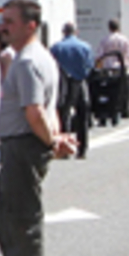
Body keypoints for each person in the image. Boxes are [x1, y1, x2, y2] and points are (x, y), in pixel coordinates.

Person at [0, 0, 77, 256]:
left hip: (22, 145)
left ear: (31, 25)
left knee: (18, 221)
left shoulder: (27, 61)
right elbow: (48, 108)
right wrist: (54, 140)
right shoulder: (39, 57)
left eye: (11, 21)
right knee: (10, 218)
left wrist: (52, 140)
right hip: (26, 144)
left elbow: (35, 111)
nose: (5, 26)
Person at [49, 22, 93, 158]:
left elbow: (51, 65)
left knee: (64, 115)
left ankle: (65, 149)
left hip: (63, 83)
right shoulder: (85, 47)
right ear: (76, 32)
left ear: (63, 32)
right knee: (83, 117)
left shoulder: (56, 48)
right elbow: (90, 65)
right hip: (80, 82)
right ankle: (82, 150)